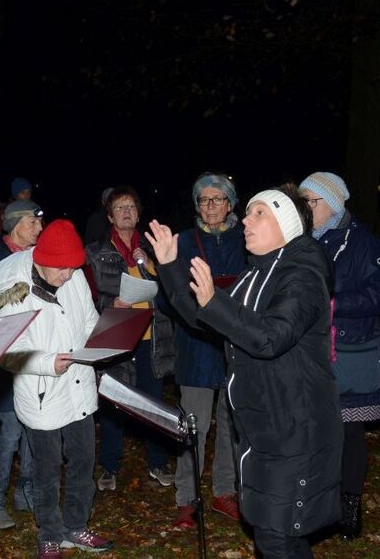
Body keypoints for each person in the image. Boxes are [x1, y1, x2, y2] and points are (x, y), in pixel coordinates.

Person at [146, 184, 343, 558]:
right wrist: (170, 266)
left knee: (276, 538)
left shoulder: (301, 277)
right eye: (248, 213)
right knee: (280, 535)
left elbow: (270, 337)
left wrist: (214, 302)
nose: (246, 222)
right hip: (262, 429)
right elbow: (201, 317)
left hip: (294, 433)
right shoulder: (255, 276)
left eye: (259, 214)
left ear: (285, 224)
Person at [0, 219, 113, 559]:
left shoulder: (71, 275)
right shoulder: (12, 286)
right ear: (40, 259)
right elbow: (6, 351)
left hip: (79, 388)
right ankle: (49, 533)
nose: (68, 276)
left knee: (83, 462)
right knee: (45, 470)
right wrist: (46, 363)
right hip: (40, 393)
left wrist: (104, 342)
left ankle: (75, 526)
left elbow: (88, 321)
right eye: (61, 269)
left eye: (74, 268)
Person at [299, 172, 380, 540]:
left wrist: (333, 304)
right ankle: (320, 504)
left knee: (348, 433)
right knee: (313, 432)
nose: (306, 208)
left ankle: (348, 507)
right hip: (308, 352)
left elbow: (375, 295)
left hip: (347, 351)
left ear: (332, 203)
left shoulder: (363, 242)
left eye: (311, 201)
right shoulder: (300, 241)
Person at [85, 185, 175, 492]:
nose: (127, 212)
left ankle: (158, 462)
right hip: (118, 337)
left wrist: (148, 265)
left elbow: (169, 292)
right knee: (115, 404)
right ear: (110, 215)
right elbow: (87, 299)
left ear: (139, 215)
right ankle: (109, 466)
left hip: (151, 338)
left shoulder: (152, 250)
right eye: (120, 207)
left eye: (132, 208)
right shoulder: (96, 252)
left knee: (153, 404)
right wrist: (111, 304)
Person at [172, 173, 246, 528]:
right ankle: (187, 497)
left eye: (218, 199)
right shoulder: (185, 241)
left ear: (230, 203)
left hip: (235, 342)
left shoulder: (245, 238)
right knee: (193, 426)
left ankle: (224, 491)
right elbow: (170, 292)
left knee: (233, 424)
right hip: (197, 342)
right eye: (204, 200)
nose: (211, 206)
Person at [0, 199, 44, 530]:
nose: (40, 228)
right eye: (34, 222)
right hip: (3, 360)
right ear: (16, 225)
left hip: (31, 354)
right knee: (11, 431)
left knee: (33, 426)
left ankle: (25, 491)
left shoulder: (35, 257)